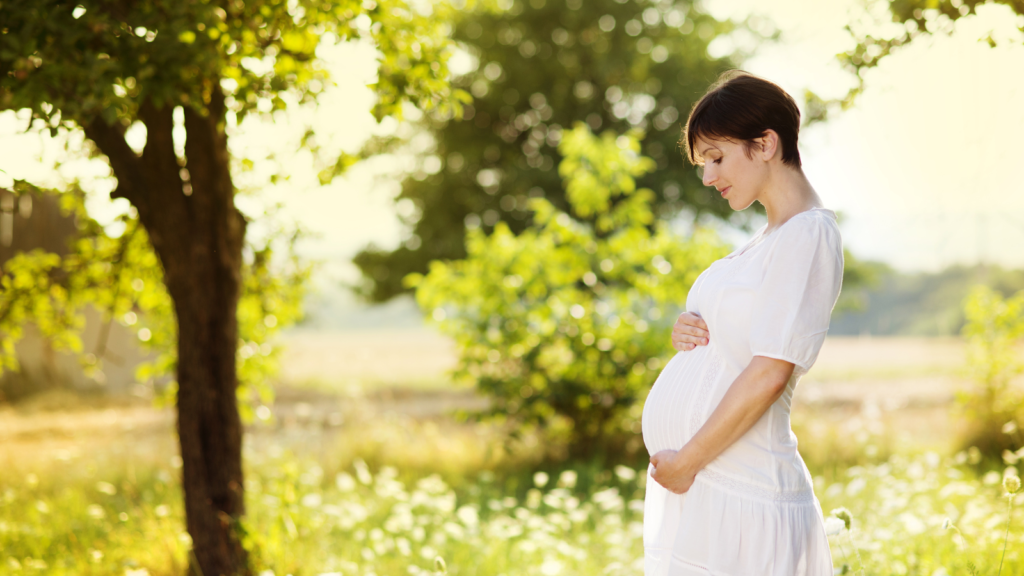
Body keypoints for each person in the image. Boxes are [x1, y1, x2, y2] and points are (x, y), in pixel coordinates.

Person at [641, 70, 843, 576]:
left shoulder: (808, 235)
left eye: (716, 158)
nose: (708, 177)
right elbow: (735, 344)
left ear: (765, 143)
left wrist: (686, 462)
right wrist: (689, 331)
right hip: (716, 490)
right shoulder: (767, 241)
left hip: (746, 494)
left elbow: (770, 371)